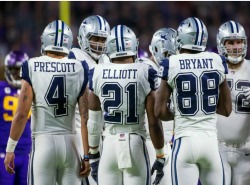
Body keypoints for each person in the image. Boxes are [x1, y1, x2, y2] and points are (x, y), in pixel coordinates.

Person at [4, 20, 90, 185]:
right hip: (70, 145)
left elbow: (22, 114)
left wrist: (10, 149)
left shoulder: (32, 65)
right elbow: (85, 118)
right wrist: (86, 155)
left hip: (43, 144)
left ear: (45, 40)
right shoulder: (80, 68)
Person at [155, 17, 232, 185]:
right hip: (210, 142)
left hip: (185, 141)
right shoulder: (218, 60)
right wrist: (204, 108)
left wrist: (179, 112)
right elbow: (226, 109)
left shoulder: (172, 63)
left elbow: (159, 111)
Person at [88, 24, 166, 185]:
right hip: (135, 143)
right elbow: (154, 122)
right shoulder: (145, 71)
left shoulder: (97, 72)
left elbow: (94, 121)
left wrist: (94, 153)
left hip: (109, 144)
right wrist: (159, 154)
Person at [68, 14, 110, 184]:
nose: (99, 44)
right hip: (78, 129)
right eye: (95, 39)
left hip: (100, 133)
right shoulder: (74, 56)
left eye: (102, 40)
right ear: (83, 38)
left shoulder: (106, 60)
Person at [138, 27, 177, 185]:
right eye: (169, 54)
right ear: (156, 49)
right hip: (151, 143)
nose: (173, 58)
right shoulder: (149, 70)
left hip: (160, 143)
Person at [216, 20, 250, 185]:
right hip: (217, 148)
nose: (236, 46)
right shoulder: (213, 68)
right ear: (221, 44)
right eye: (230, 42)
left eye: (239, 41)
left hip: (246, 150)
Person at [0, 51, 31, 185]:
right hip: (3, 151)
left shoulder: (33, 90)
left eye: (21, 70)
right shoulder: (1, 89)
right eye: (15, 70)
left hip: (27, 152)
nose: (18, 74)